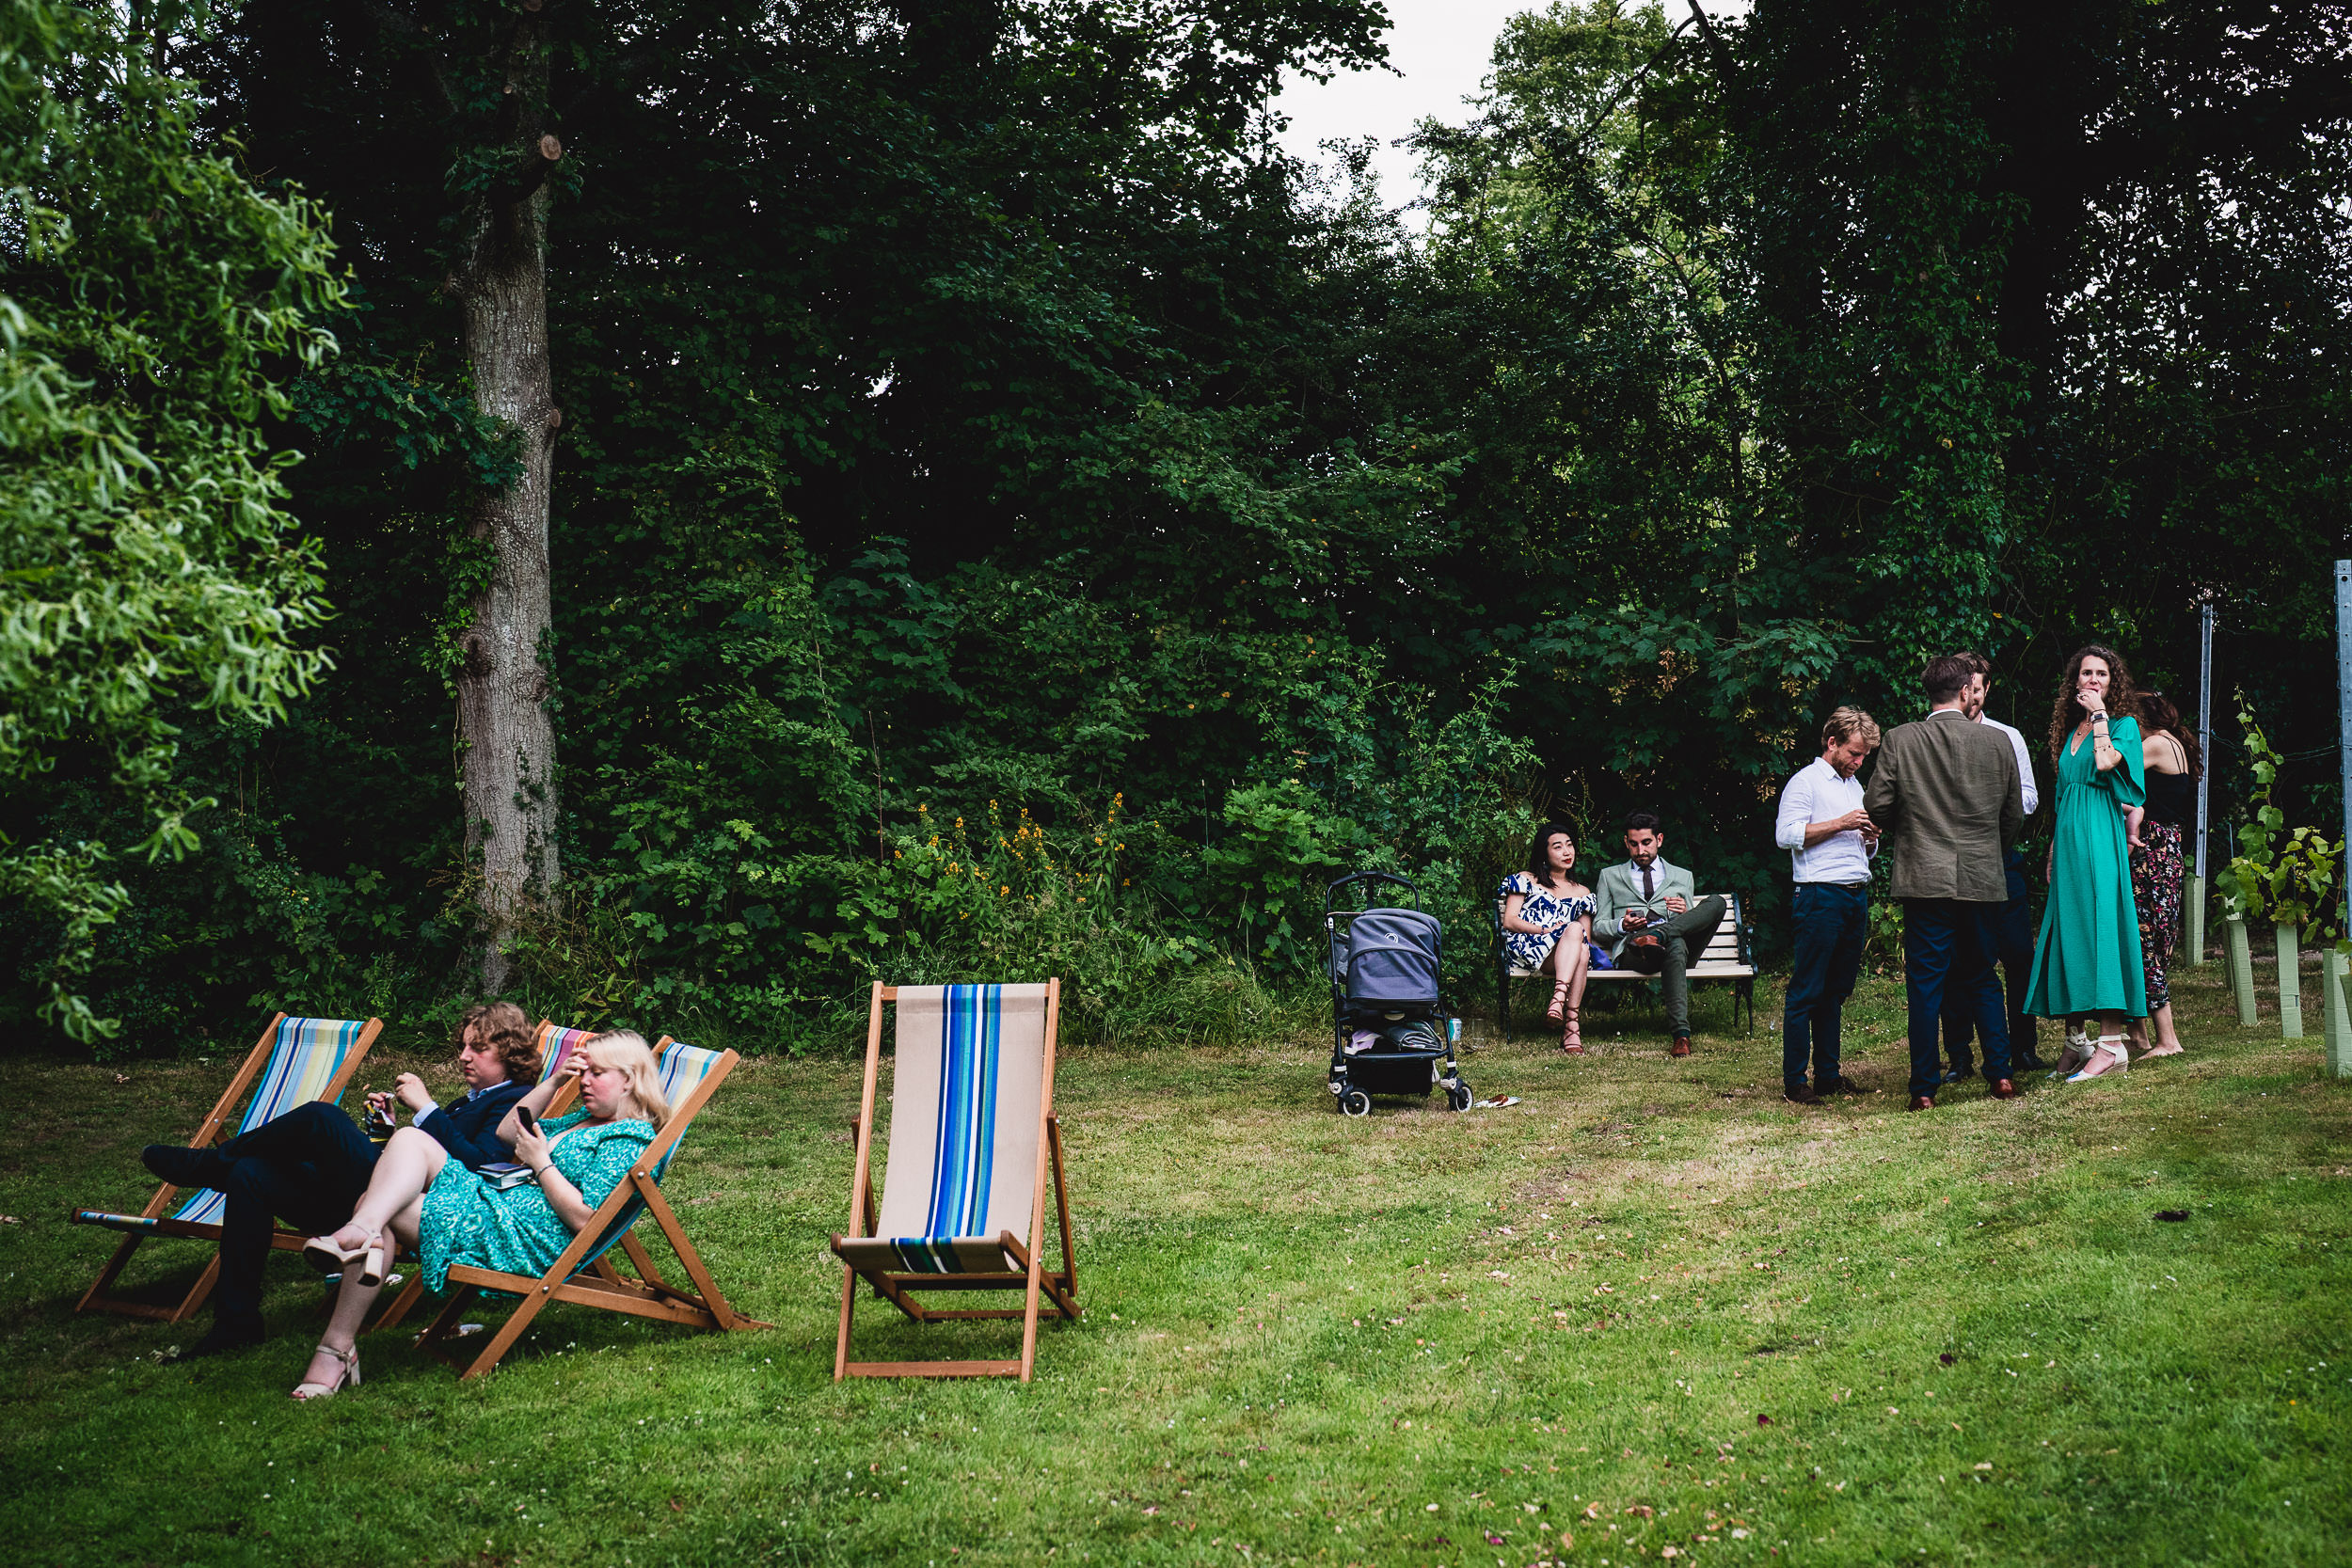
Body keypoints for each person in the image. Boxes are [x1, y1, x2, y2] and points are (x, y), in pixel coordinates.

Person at [135, 1001, 537, 1358]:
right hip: (371, 1204)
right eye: (463, 1046)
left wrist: (428, 1109)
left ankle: (208, 1167)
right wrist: (384, 1132)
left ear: (511, 1054)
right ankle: (235, 1323)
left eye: (478, 1048)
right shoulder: (471, 1099)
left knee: (321, 1118)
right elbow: (414, 1158)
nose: (464, 1056)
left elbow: (482, 1166)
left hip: (417, 1216)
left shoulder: (514, 1099)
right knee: (251, 1174)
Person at [288, 1030, 669, 1399]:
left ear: (629, 1081)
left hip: (521, 1239)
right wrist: (554, 1083)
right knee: (408, 1140)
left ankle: (337, 1343)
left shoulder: (625, 1139)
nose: (584, 1081)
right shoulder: (584, 1120)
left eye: (596, 1074)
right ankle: (362, 1234)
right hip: (496, 1207)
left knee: (380, 1205)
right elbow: (507, 1132)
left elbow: (587, 1220)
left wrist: (541, 1163)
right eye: (583, 1072)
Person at [1864, 654, 2026, 1110]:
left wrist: (1912, 830)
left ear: (1928, 693)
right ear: (1964, 692)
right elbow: (2013, 814)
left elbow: (1876, 805)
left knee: (1926, 982)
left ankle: (1923, 1089)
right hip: (1982, 876)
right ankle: (2001, 1075)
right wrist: (1989, 851)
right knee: (1982, 976)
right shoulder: (1998, 742)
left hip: (1923, 877)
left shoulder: (1901, 739)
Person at [2022, 644, 2150, 1080]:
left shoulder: (2123, 726)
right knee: (2067, 931)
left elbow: (2106, 762)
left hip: (2099, 835)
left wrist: (2099, 716)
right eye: (2086, 673)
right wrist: (2055, 851)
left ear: (2113, 684)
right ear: (2074, 681)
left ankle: (2112, 1044)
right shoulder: (2068, 729)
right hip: (2071, 839)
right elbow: (2060, 795)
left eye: (2102, 675)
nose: (2093, 680)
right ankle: (2076, 1041)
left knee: (2101, 929)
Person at [1939, 652, 2047, 1077]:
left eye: (1981, 689)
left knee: (2019, 955)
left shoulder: (2008, 736)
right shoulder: (1936, 735)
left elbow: (2029, 795)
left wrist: (1993, 811)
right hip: (1954, 865)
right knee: (1957, 961)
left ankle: (2021, 1048)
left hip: (2002, 859)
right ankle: (1960, 1056)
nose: (1975, 698)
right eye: (1970, 690)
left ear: (1985, 688)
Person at [1773, 706, 1881, 1103]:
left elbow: (1860, 847)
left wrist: (1870, 836)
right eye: (1854, 753)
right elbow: (1786, 836)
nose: (1859, 761)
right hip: (1819, 893)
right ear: (1832, 743)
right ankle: (1795, 1081)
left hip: (1854, 892)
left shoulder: (1854, 786)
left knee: (1836, 990)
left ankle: (1829, 1075)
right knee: (1807, 990)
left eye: (1864, 756)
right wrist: (1841, 822)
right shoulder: (1805, 782)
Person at [1594, 811, 1726, 1057]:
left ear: (1660, 840)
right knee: (1674, 944)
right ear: (1626, 842)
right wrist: (1622, 925)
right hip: (1637, 949)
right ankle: (1681, 1036)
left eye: (1646, 843)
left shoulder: (1682, 876)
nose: (1640, 850)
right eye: (1633, 844)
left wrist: (1686, 912)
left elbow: (1689, 923)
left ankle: (1661, 935)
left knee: (1717, 902)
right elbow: (1598, 927)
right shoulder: (1609, 876)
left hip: (1678, 944)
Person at [2122, 689, 2198, 1059]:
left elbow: (2115, 774)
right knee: (2144, 937)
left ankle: (2168, 1040)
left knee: (2145, 940)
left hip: (2153, 852)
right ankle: (2137, 1034)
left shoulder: (2154, 744)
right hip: (2165, 850)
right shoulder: (2174, 742)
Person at [1499, 823, 1599, 1053]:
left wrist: (1566, 933)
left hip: (1565, 956)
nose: (1567, 852)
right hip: (1531, 949)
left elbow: (1587, 940)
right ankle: (1571, 1025)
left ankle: (1559, 1003)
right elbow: (1510, 921)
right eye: (1558, 847)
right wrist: (1546, 931)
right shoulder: (1526, 879)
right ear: (1544, 853)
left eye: (1570, 845)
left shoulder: (1582, 893)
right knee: (1573, 931)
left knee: (1580, 944)